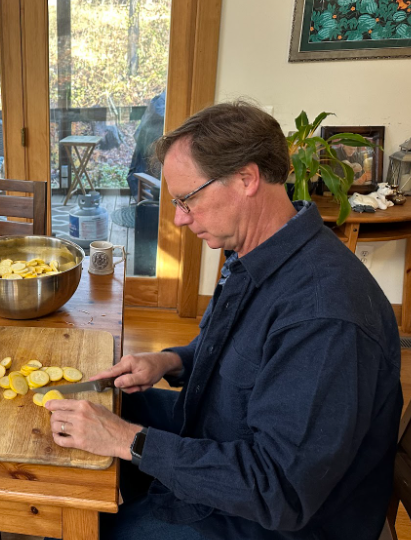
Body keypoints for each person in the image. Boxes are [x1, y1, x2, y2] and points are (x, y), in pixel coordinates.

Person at [45, 101, 402, 540]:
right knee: (114, 405)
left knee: (81, 520)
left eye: (187, 199)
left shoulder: (325, 317)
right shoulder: (254, 252)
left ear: (246, 179)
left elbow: (280, 491)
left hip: (276, 521)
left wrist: (128, 441)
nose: (178, 218)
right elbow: (240, 353)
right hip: (232, 438)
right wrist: (170, 362)